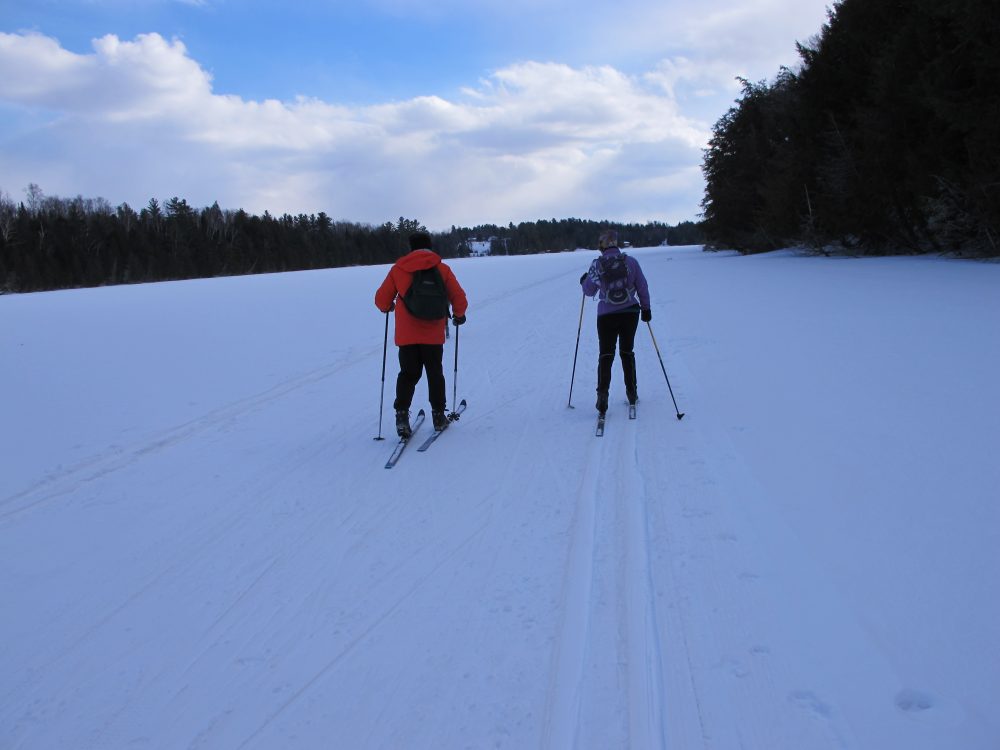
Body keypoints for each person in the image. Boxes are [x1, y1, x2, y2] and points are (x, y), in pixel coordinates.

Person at [375, 230, 468, 437]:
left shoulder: (398, 269)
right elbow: (459, 297)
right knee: (434, 373)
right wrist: (459, 315)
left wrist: (388, 307)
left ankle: (401, 416)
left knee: (408, 374)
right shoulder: (442, 269)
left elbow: (381, 299)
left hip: (406, 336)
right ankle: (438, 416)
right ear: (430, 246)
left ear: (411, 248)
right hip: (433, 334)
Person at [580, 229, 651, 414]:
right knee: (627, 352)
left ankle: (602, 396)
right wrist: (646, 309)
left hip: (606, 316)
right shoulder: (631, 262)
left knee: (606, 355)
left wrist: (584, 280)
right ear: (616, 244)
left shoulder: (597, 265)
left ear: (601, 246)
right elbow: (642, 286)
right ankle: (632, 392)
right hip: (630, 313)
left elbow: (588, 291)